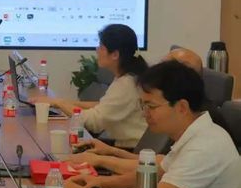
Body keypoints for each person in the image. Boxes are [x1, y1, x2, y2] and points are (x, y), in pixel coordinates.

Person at [64, 61, 241, 188]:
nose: (145, 113)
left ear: (182, 107)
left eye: (151, 106)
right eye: (143, 105)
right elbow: (153, 175)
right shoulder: (192, 134)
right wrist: (99, 183)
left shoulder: (205, 144)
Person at [68, 47, 238, 174]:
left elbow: (159, 184)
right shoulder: (183, 112)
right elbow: (160, 164)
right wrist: (110, 153)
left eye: (165, 69)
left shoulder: (200, 123)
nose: (145, 113)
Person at [32, 24, 148, 148]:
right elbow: (102, 106)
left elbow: (93, 122)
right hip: (126, 146)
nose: (97, 50)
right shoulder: (128, 78)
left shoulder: (126, 84)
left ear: (115, 54)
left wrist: (60, 103)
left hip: (130, 150)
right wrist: (60, 102)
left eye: (101, 47)